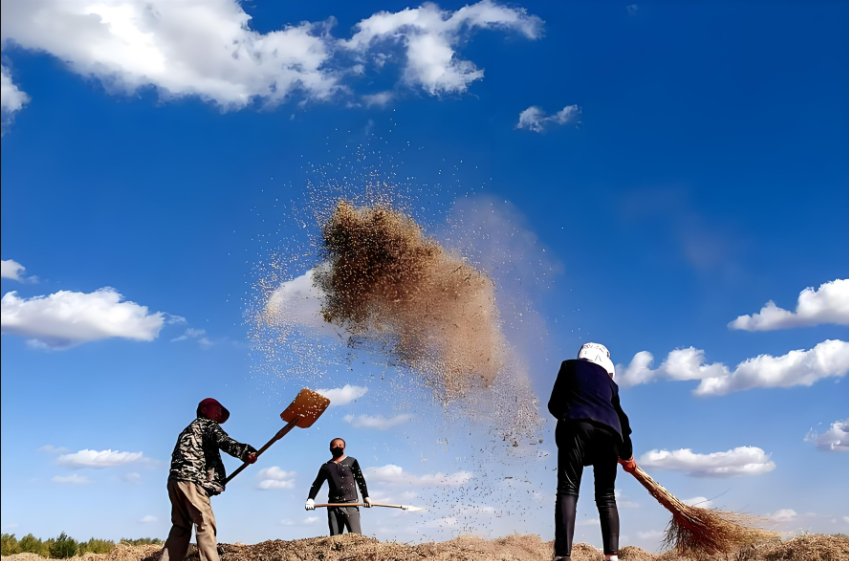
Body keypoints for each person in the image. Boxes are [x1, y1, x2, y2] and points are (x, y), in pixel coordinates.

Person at [548, 343, 637, 561]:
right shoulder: (610, 383)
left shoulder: (569, 366)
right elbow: (622, 422)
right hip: (611, 435)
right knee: (606, 495)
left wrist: (570, 414)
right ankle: (611, 557)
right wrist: (627, 457)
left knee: (568, 489)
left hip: (577, 426)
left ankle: (562, 556)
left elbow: (554, 404)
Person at [161, 398, 258, 561]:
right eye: (217, 409)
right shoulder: (206, 425)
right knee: (205, 523)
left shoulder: (187, 430)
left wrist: (212, 483)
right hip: (191, 480)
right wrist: (245, 452)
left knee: (181, 528)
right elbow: (224, 441)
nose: (220, 413)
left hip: (175, 481)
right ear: (204, 410)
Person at [305, 438, 373, 535]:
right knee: (335, 538)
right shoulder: (326, 466)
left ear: (344, 448)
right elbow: (317, 484)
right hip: (333, 506)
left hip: (350, 504)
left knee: (356, 537)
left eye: (340, 445)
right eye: (335, 445)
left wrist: (366, 497)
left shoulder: (352, 461)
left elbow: (360, 480)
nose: (338, 447)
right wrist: (310, 499)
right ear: (330, 449)